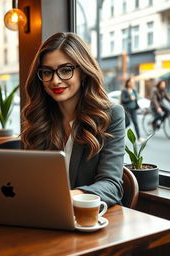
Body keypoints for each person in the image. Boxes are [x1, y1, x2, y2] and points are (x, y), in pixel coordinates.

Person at [21, 32, 125, 207]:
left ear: (83, 72)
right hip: (47, 215)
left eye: (65, 70)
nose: (55, 80)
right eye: (47, 72)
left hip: (92, 221)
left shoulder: (110, 115)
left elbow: (112, 185)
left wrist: (67, 197)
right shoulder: (40, 118)